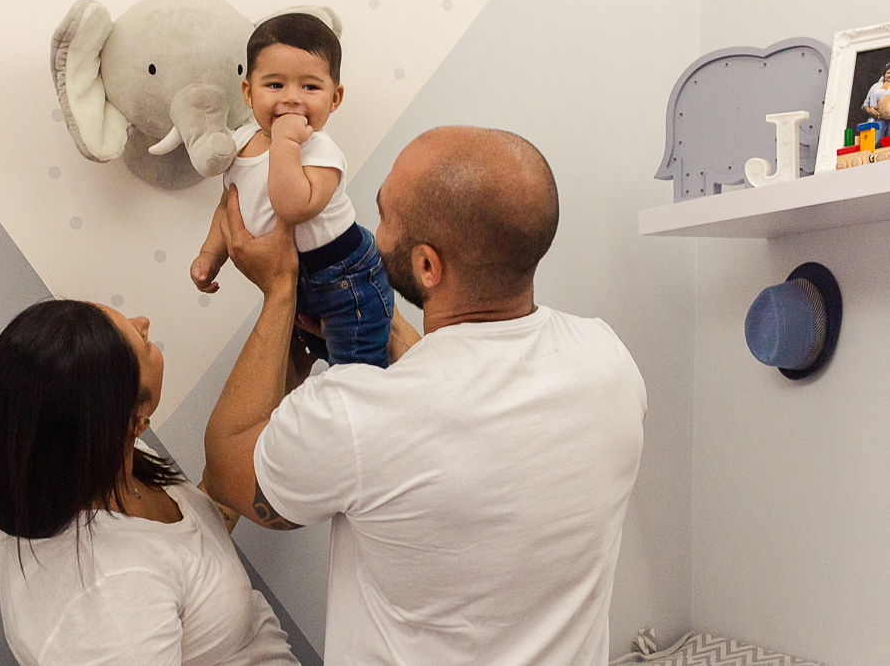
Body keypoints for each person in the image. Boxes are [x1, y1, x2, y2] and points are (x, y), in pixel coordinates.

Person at [203, 126, 647, 665]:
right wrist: (377, 319)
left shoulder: (355, 414)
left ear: (428, 266)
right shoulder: (609, 361)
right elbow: (461, 404)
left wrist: (279, 291)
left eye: (384, 216)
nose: (372, 230)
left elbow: (226, 462)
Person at [0, 300, 299, 666]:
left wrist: (286, 372)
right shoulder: (110, 608)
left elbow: (189, 543)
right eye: (141, 344)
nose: (143, 322)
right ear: (134, 420)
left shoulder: (73, 464)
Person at [191, 12, 394, 368]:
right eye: (274, 85)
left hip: (346, 278)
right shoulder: (241, 142)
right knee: (322, 356)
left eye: (310, 87)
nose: (292, 99)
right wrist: (211, 255)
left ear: (334, 98)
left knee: (359, 371)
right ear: (248, 93)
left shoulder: (321, 152)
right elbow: (228, 206)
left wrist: (286, 141)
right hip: (300, 281)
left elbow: (293, 207)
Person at [860, 63, 890, 141]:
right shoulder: (875, 87)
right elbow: (865, 104)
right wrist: (870, 110)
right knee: (875, 144)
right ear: (884, 74)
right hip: (878, 120)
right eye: (888, 73)